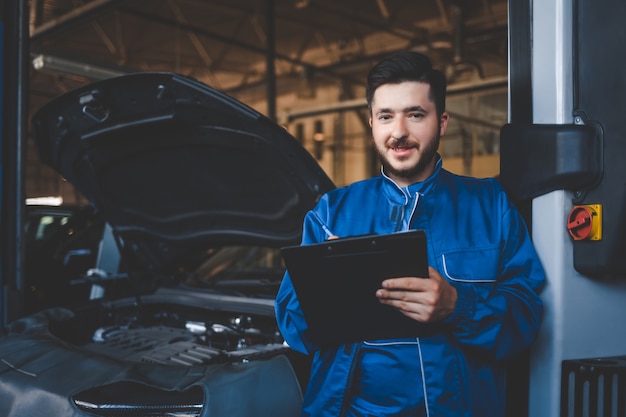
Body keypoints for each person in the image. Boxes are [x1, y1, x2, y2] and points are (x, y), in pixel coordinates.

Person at [275, 50, 546, 417]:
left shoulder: (491, 206)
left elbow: (526, 317)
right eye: (386, 116)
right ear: (372, 123)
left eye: (415, 115)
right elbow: (292, 324)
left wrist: (458, 305)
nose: (399, 132)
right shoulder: (331, 213)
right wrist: (328, 285)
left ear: (442, 122)